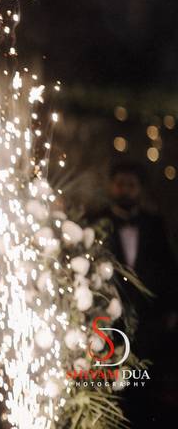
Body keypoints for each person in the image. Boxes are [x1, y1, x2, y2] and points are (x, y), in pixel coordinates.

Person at [85, 160, 178, 426]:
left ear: (139, 189)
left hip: (150, 330)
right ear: (111, 187)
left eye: (131, 185)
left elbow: (169, 272)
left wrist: (170, 315)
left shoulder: (155, 225)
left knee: (147, 401)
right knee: (110, 398)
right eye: (120, 184)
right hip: (107, 329)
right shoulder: (96, 223)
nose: (125, 190)